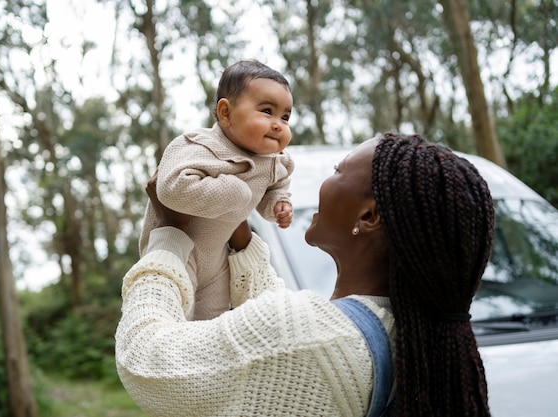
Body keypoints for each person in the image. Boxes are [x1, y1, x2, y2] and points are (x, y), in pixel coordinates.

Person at [116, 132, 494, 417]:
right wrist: (240, 239)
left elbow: (145, 357)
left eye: (337, 171)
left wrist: (168, 235)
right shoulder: (412, 334)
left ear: (369, 217)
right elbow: (276, 340)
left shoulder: (305, 335)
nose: (319, 186)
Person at [139, 59, 294, 321]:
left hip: (219, 259)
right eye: (267, 111)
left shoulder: (277, 162)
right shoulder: (198, 146)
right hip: (179, 249)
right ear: (225, 113)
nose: (278, 124)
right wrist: (235, 193)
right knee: (175, 321)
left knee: (212, 325)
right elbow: (169, 188)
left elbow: (276, 189)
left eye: (286, 116)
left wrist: (279, 204)